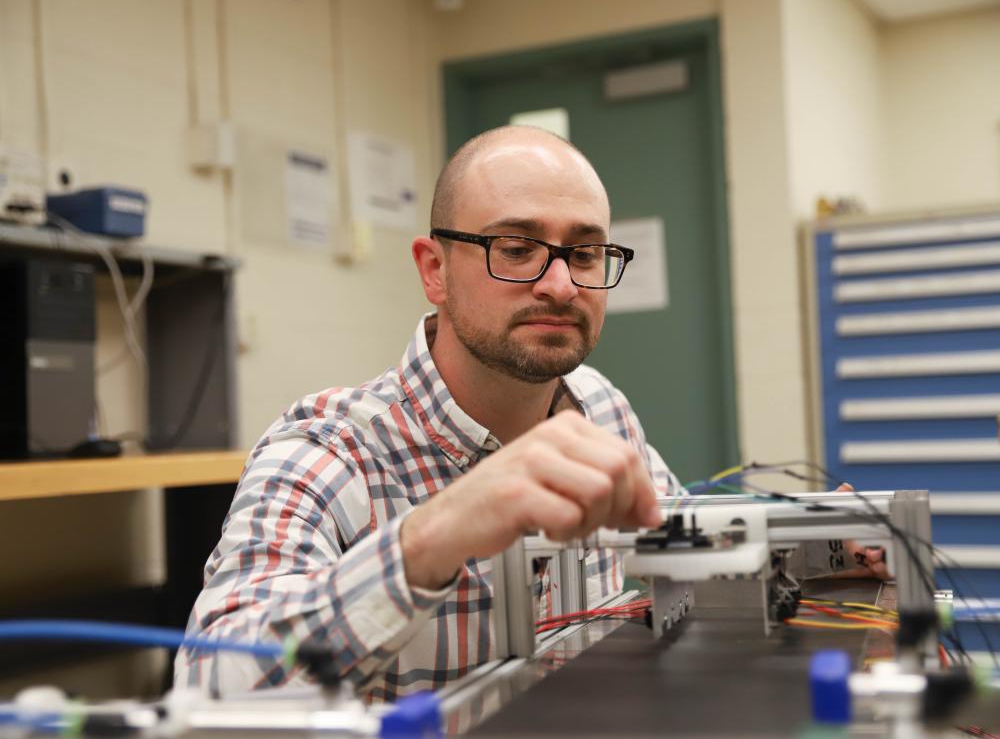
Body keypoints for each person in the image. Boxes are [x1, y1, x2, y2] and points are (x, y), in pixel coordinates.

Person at [175, 126, 882, 701]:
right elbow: (212, 690)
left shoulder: (600, 407)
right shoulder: (325, 451)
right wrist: (430, 539)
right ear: (434, 270)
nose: (558, 283)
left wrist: (818, 549)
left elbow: (685, 554)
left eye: (584, 252)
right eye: (516, 248)